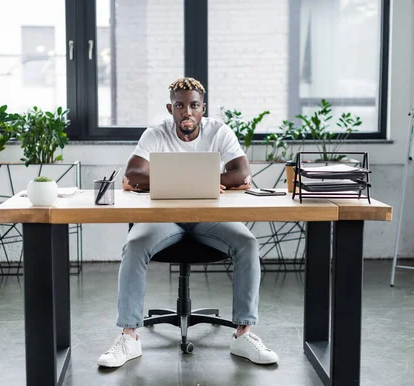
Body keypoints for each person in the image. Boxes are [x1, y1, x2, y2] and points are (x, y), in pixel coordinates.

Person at [97, 77, 279, 368]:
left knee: (247, 242)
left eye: (194, 105)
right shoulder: (156, 134)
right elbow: (133, 174)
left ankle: (244, 333)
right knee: (134, 244)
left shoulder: (219, 131)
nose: (187, 112)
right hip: (163, 219)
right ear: (171, 108)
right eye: (180, 106)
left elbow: (242, 172)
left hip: (210, 219)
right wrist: (206, 182)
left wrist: (193, 182)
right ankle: (129, 336)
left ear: (202, 108)